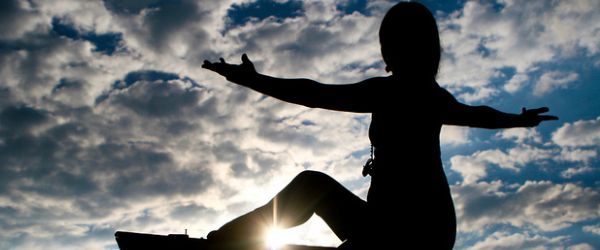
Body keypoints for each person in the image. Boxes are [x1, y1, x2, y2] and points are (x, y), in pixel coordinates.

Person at [202, 2, 557, 249]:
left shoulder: (396, 93)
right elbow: (478, 114)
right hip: (413, 230)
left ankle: (224, 240)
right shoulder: (433, 96)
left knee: (311, 185)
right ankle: (227, 238)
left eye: (393, 43)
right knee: (314, 188)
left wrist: (254, 80)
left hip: (408, 232)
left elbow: (312, 94)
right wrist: (519, 121)